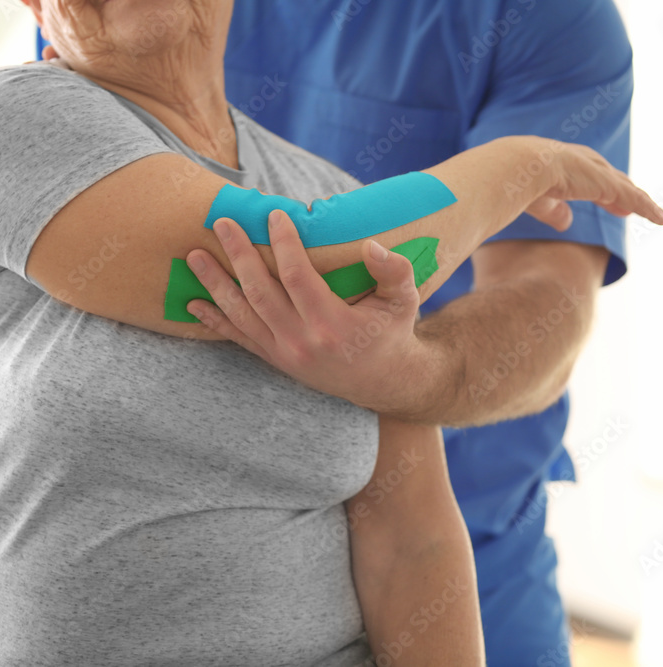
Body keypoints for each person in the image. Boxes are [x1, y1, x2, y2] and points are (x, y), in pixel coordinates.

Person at [0, 1, 662, 665]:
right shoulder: (10, 123)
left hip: (493, 528)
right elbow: (316, 262)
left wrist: (407, 374)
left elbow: (412, 539)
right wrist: (519, 166)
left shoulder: (334, 191)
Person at [145, 1, 636, 664]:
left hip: (473, 538)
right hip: (208, 546)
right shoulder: (114, 18)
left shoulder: (548, 19)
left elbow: (547, 301)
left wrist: (409, 372)